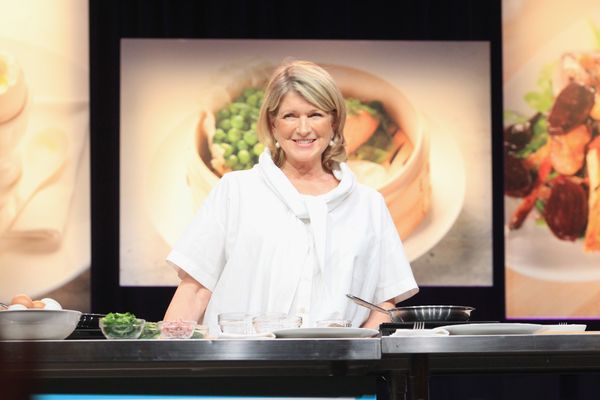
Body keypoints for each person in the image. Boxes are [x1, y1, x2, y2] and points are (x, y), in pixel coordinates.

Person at [164, 59, 418, 334]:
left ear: (334, 122)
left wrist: (357, 355)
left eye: (316, 114)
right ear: (273, 125)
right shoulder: (235, 191)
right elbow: (195, 290)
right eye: (290, 116)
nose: (303, 128)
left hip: (336, 369)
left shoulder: (368, 204)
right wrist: (165, 357)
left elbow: (385, 304)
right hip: (242, 367)